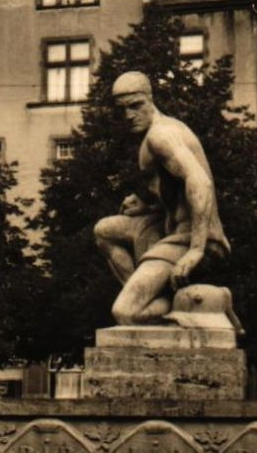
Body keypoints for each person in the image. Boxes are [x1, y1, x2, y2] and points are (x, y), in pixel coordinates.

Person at [93, 71, 230, 325]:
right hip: (167, 228)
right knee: (105, 230)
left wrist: (196, 250)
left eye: (136, 106)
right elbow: (176, 191)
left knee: (125, 313)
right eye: (122, 110)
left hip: (193, 237)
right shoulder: (156, 133)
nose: (129, 116)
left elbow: (200, 182)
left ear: (150, 98)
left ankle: (193, 304)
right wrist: (148, 204)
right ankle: (146, 292)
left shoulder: (161, 135)